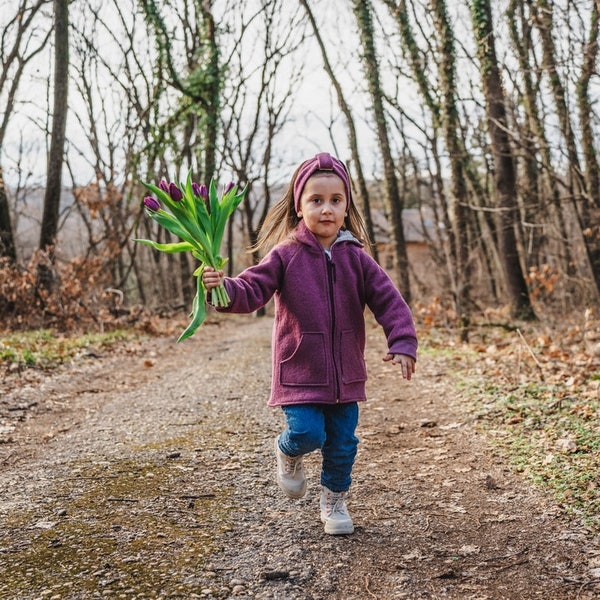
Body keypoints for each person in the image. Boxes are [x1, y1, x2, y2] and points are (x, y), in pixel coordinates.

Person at [202, 152, 417, 535]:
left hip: (345, 373)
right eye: (316, 200)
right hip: (300, 370)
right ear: (300, 207)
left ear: (347, 206)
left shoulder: (358, 259)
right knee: (307, 433)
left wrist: (402, 342)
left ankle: (334, 499)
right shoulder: (286, 254)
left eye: (336, 200)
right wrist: (223, 289)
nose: (327, 209)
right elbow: (252, 288)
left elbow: (390, 302)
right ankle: (288, 451)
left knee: (342, 442)